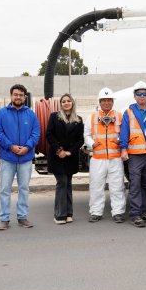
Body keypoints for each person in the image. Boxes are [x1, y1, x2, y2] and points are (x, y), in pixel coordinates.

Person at [0, 84, 40, 230]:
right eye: (15, 94)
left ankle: (22, 217)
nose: (18, 97)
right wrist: (11, 146)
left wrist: (27, 147)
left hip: (25, 159)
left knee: (24, 188)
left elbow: (36, 133)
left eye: (21, 95)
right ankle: (4, 219)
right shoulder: (1, 113)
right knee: (5, 189)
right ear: (11, 96)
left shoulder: (31, 115)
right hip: (7, 158)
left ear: (25, 97)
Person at [120, 81, 146, 228]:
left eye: (144, 94)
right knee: (135, 184)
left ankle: (143, 211)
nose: (142, 96)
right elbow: (124, 132)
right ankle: (135, 214)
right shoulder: (129, 112)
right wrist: (123, 149)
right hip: (135, 155)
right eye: (139, 94)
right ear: (134, 96)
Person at [84, 87, 126, 224]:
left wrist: (119, 141)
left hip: (115, 157)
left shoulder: (120, 116)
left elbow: (124, 133)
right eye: (104, 100)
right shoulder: (92, 117)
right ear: (100, 102)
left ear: (113, 102)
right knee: (96, 186)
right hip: (98, 158)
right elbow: (86, 134)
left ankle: (118, 212)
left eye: (109, 100)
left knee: (117, 186)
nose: (107, 103)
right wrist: (92, 144)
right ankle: (96, 212)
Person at [46, 94, 84, 224]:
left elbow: (80, 139)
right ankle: (59, 215)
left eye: (68, 101)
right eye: (63, 101)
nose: (66, 103)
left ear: (72, 103)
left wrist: (69, 152)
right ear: (60, 104)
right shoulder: (54, 117)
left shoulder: (78, 119)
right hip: (57, 156)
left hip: (70, 157)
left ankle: (68, 213)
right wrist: (59, 150)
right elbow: (49, 135)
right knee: (62, 182)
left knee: (68, 183)